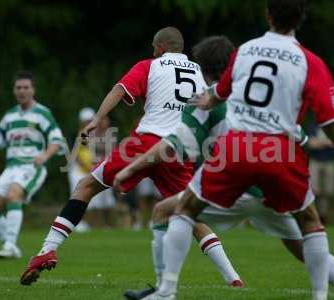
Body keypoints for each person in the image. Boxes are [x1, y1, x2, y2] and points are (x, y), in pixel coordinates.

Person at [142, 1, 334, 299]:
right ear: (300, 20)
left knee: (181, 210)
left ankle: (166, 291)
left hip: (238, 152)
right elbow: (328, 116)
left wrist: (207, 101)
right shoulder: (309, 61)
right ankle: (321, 296)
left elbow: (222, 90)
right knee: (310, 223)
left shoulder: (246, 50)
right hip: (279, 154)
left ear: (268, 15)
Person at [20, 26, 215, 285]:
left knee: (85, 186)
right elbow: (208, 112)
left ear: (159, 47)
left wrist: (96, 120)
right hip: (179, 150)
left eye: (154, 48)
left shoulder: (151, 65)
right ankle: (233, 278)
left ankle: (46, 251)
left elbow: (120, 89)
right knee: (186, 212)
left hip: (146, 142)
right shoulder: (199, 74)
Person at [0, 71, 65, 259]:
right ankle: (10, 246)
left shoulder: (42, 113)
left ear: (33, 90)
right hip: (11, 168)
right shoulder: (9, 116)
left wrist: (45, 155)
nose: (22, 91)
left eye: (26, 87)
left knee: (13, 195)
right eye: (18, 87)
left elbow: (56, 139)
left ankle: (9, 245)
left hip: (31, 166)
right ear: (14, 90)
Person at [307, 122, 334, 224]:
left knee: (327, 191)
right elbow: (311, 144)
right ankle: (312, 216)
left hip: (329, 162)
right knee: (313, 190)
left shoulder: (332, 126)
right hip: (315, 161)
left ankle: (323, 216)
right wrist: (327, 142)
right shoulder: (313, 126)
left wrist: (320, 142)